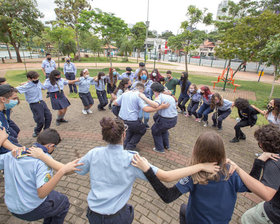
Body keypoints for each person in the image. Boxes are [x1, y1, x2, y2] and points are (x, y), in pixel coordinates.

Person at [29, 117, 219, 224]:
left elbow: (66, 169)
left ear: (103, 136)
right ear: (124, 135)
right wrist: (200, 166)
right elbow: (167, 177)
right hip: (118, 217)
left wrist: (44, 156)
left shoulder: (93, 154)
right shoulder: (133, 160)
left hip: (94, 214)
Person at [132, 131, 248, 224]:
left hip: (195, 220)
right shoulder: (231, 171)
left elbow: (167, 196)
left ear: (197, 151)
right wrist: (245, 166)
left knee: (184, 209)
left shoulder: (197, 176)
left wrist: (147, 170)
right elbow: (251, 186)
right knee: (184, 208)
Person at [0, 128, 82, 224]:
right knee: (63, 202)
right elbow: (42, 193)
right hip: (28, 210)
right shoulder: (43, 162)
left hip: (11, 205)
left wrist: (1, 140)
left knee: (55, 196)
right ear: (51, 146)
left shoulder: (12, 154)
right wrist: (62, 171)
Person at [114, 83, 168, 150]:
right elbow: (146, 109)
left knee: (129, 130)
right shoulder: (139, 95)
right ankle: (130, 146)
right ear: (142, 90)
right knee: (142, 129)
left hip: (121, 119)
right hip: (132, 121)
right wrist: (160, 107)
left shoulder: (125, 93)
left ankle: (124, 145)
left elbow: (115, 103)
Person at [140, 83, 177, 153]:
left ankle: (159, 148)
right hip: (173, 119)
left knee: (155, 130)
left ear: (155, 91)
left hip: (166, 120)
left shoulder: (160, 97)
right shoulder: (169, 97)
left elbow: (155, 105)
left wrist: (144, 98)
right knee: (163, 130)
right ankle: (166, 145)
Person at [16, 71, 52, 137]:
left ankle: (46, 130)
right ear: (29, 78)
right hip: (34, 104)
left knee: (48, 116)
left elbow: (43, 88)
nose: (36, 79)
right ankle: (37, 131)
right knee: (40, 120)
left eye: (37, 78)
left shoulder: (38, 82)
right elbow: (15, 89)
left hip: (41, 102)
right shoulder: (26, 86)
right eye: (34, 78)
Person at [0, 85, 23, 154]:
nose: (16, 101)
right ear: (3, 99)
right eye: (14, 98)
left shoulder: (2, 112)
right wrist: (17, 149)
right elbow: (2, 138)